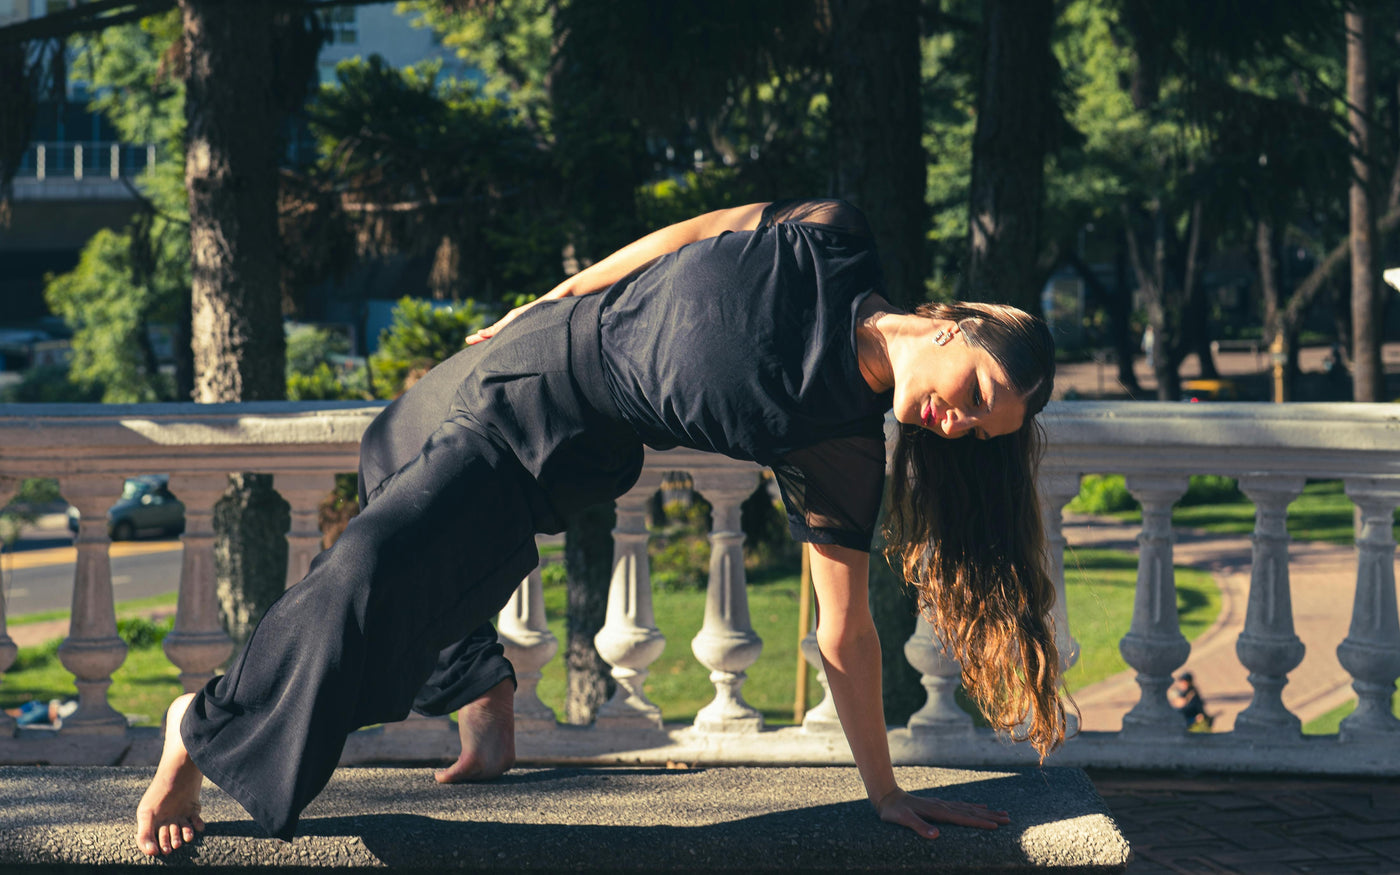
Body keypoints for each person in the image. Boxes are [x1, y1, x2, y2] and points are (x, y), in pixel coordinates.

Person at [135, 199, 1065, 855]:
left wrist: (886, 791)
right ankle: (482, 690)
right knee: (389, 459)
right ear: (958, 327)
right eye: (977, 393)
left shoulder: (842, 447)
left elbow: (844, 632)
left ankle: (201, 726)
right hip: (540, 345)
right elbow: (686, 235)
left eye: (979, 431)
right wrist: (544, 300)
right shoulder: (835, 236)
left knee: (371, 566)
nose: (957, 421)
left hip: (557, 433)